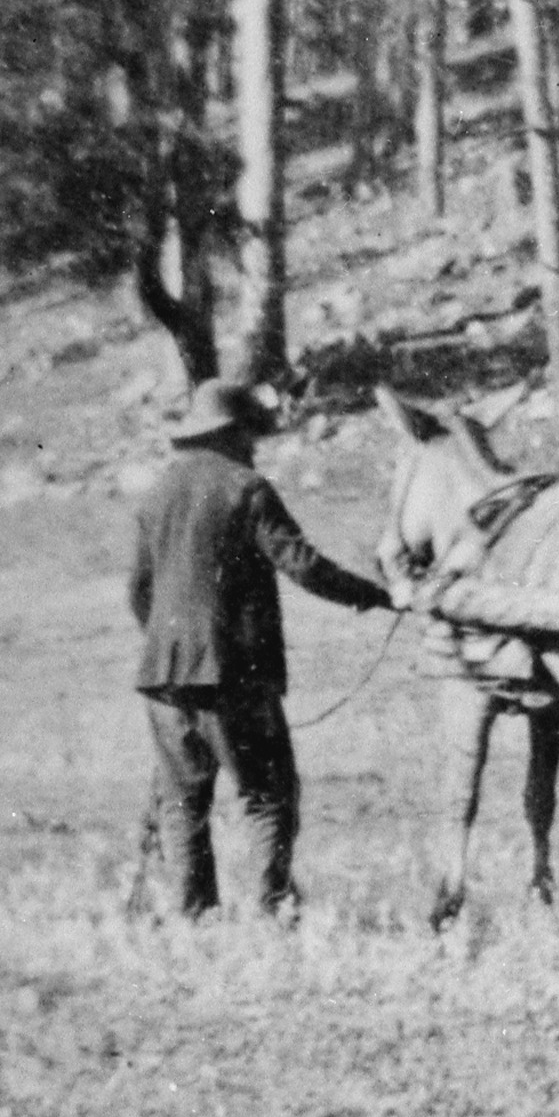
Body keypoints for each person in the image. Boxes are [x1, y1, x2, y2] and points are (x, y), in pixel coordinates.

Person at [128, 378, 392, 917]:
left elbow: (139, 592)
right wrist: (375, 595)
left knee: (182, 803)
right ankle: (271, 912)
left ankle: (192, 918)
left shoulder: (155, 495)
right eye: (248, 433)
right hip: (233, 678)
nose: (254, 445)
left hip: (163, 680)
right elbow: (303, 566)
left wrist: (171, 648)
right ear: (230, 433)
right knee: (267, 794)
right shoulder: (246, 488)